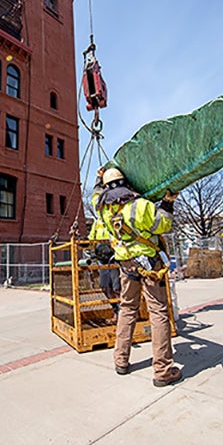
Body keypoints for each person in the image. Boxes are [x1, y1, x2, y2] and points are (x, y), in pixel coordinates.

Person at [92, 166, 182, 387]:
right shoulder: (140, 205)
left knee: (127, 309)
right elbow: (163, 224)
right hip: (149, 264)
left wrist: (98, 177)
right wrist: (168, 202)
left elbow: (95, 195)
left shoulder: (103, 208)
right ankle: (162, 370)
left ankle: (121, 360)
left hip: (126, 265)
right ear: (126, 184)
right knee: (158, 312)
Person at [87, 218, 121, 317]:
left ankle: (122, 313)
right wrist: (85, 241)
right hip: (102, 258)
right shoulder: (97, 222)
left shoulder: (115, 218)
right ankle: (116, 309)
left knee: (117, 287)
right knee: (104, 286)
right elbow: (91, 239)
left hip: (114, 257)